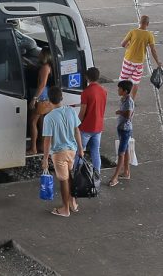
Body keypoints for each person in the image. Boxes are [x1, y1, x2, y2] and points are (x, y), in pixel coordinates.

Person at [41, 86, 84, 217]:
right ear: (61, 98)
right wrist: (81, 149)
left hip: (59, 153)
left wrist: (45, 159)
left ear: (49, 100)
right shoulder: (71, 111)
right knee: (70, 177)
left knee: (63, 180)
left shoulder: (49, 118)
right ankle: (73, 202)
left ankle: (65, 209)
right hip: (72, 150)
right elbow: (77, 131)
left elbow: (47, 140)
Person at [119, 15, 162, 100]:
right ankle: (132, 100)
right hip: (138, 63)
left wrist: (129, 46)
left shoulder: (132, 32)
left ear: (139, 22)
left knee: (124, 79)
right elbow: (153, 50)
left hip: (128, 60)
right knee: (135, 82)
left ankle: (123, 97)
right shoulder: (149, 35)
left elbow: (122, 44)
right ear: (148, 24)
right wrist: (158, 62)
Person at [77, 67, 107, 180]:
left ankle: (77, 174)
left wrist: (77, 125)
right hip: (98, 127)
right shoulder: (104, 90)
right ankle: (97, 175)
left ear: (87, 77)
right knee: (95, 151)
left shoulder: (86, 92)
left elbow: (82, 112)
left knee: (79, 151)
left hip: (86, 128)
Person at [108, 80, 134, 187]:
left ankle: (115, 177)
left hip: (125, 130)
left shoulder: (129, 101)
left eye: (119, 89)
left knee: (121, 153)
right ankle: (126, 172)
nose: (118, 90)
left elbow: (128, 115)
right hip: (121, 128)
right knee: (125, 150)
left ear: (125, 91)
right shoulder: (123, 99)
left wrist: (120, 112)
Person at [28, 47, 53, 155]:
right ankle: (42, 146)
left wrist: (34, 99)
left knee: (32, 121)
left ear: (45, 55)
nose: (39, 54)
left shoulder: (44, 68)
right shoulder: (48, 67)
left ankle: (33, 148)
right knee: (41, 121)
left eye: (41, 53)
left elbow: (42, 85)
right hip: (45, 97)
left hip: (41, 97)